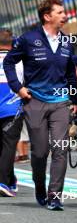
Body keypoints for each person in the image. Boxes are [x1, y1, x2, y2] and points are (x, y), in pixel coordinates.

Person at [3, 0, 77, 210]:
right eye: (60, 12)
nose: (65, 16)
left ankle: (54, 196)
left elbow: (70, 74)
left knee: (60, 149)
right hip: (34, 101)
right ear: (47, 16)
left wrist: (76, 101)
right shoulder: (28, 39)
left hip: (61, 103)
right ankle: (40, 186)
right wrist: (18, 87)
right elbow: (9, 62)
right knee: (39, 152)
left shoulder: (66, 42)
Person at [0, 29, 23, 197]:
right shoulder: (19, 61)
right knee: (8, 146)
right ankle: (2, 181)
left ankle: (9, 179)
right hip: (12, 109)